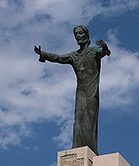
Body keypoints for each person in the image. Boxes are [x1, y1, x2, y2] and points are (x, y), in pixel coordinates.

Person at [34, 25, 110, 155]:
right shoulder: (74, 56)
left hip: (92, 92)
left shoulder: (94, 52)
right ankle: (78, 149)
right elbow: (58, 58)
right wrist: (43, 54)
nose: (78, 36)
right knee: (79, 120)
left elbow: (104, 52)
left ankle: (91, 150)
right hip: (80, 92)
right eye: (76, 34)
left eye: (80, 33)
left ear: (86, 35)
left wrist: (104, 47)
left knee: (90, 120)